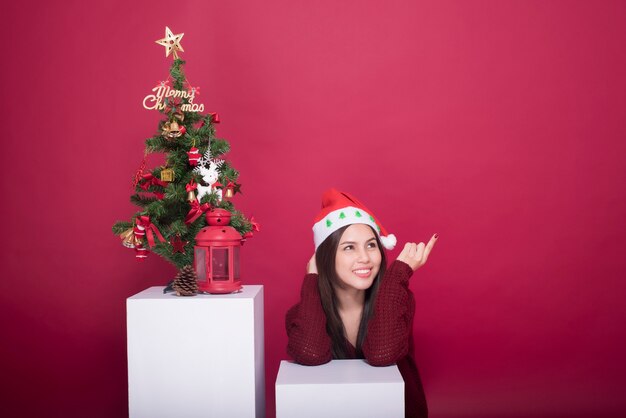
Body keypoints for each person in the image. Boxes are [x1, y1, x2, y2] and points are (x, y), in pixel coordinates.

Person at [286, 188, 437, 418]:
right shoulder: (304, 313)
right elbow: (311, 354)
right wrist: (311, 280)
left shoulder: (398, 301)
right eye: (349, 247)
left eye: (371, 245)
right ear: (324, 257)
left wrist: (397, 275)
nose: (365, 257)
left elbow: (382, 354)